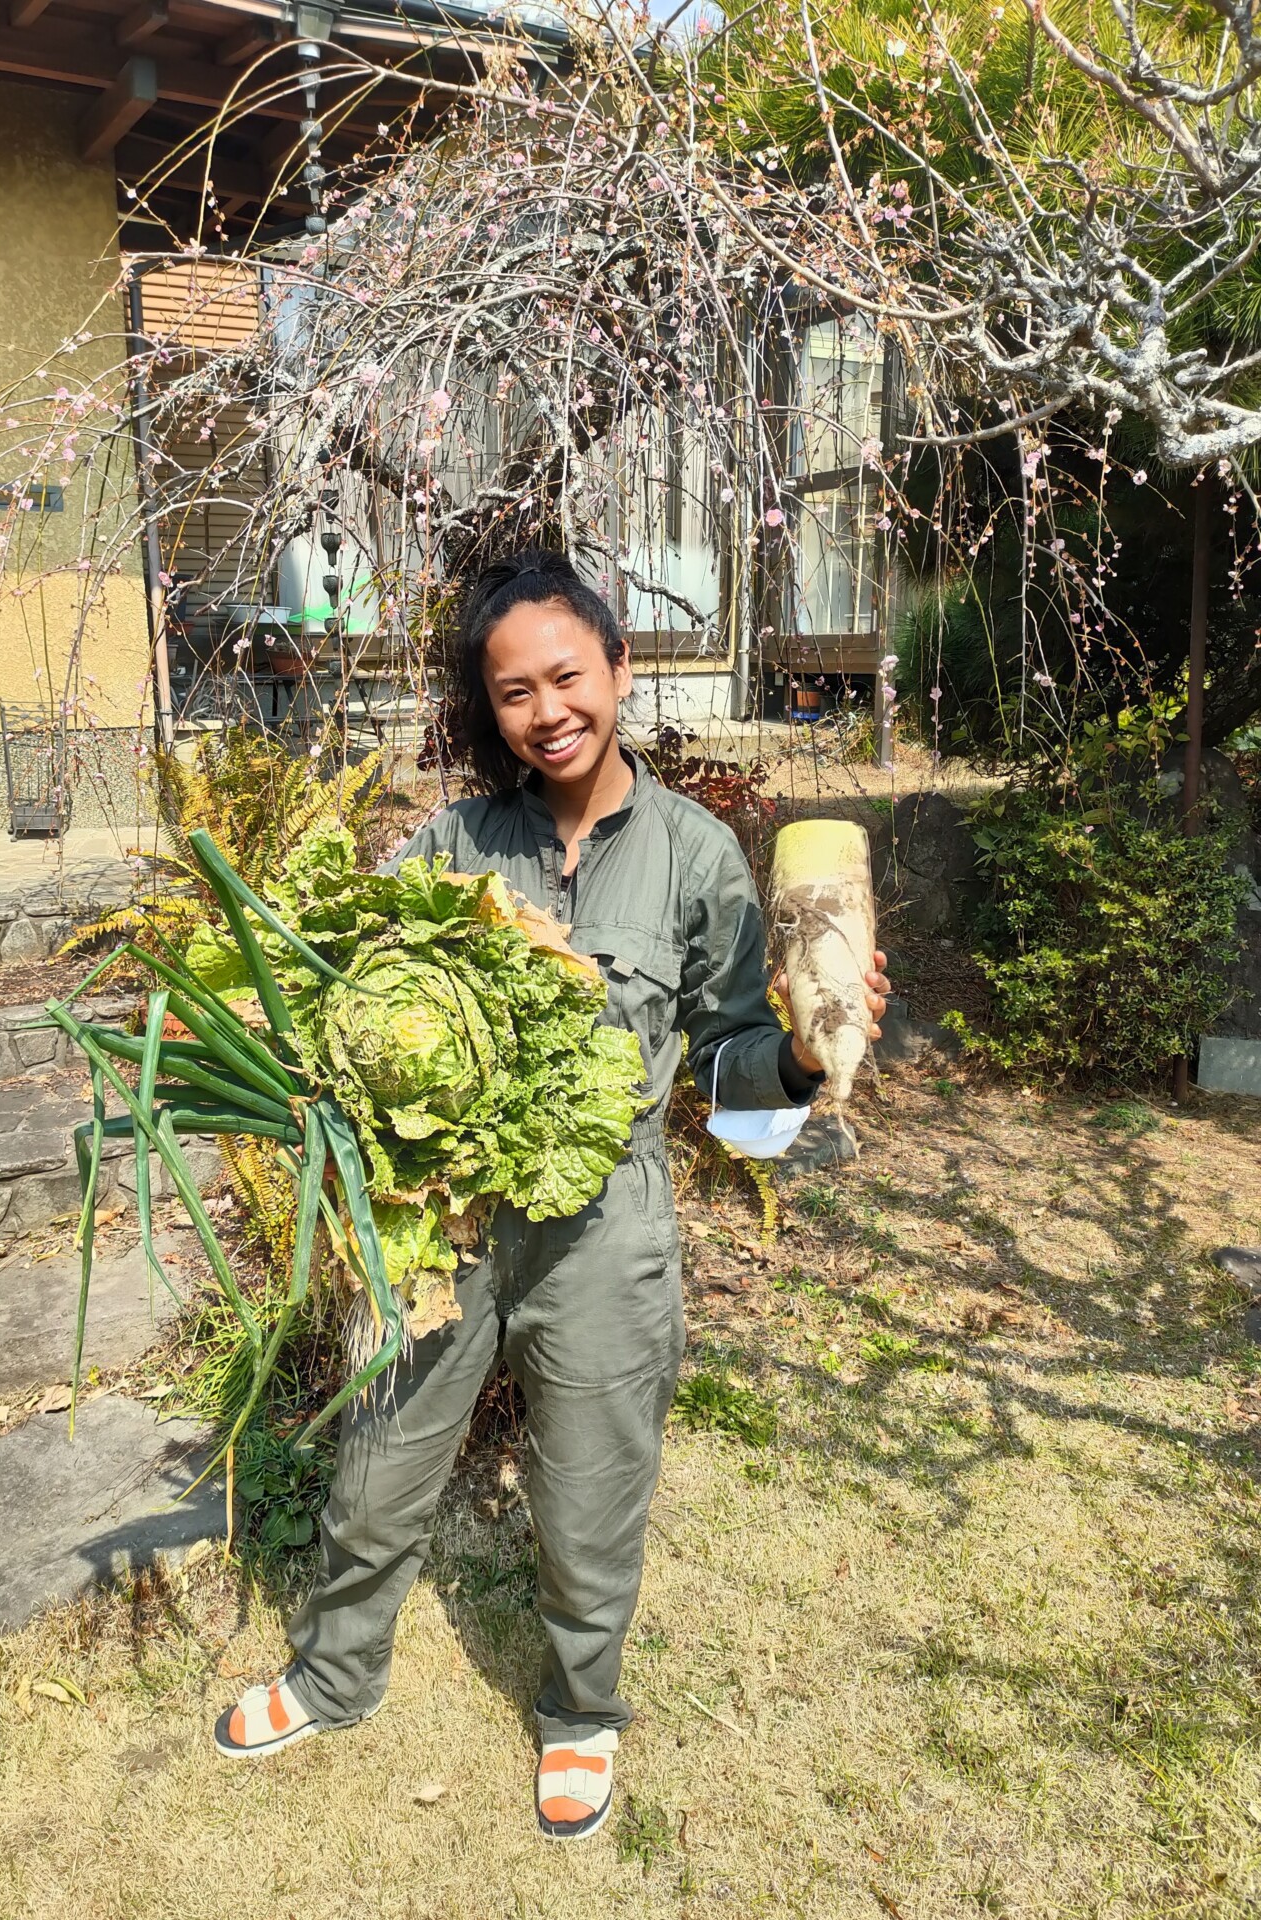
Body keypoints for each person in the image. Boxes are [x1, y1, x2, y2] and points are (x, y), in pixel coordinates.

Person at [214, 548, 889, 1839]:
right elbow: (348, 994)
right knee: (380, 1463)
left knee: (591, 1488)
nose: (547, 710)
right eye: (513, 691)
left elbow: (737, 1098)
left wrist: (804, 1051)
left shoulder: (696, 859)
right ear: (492, 707)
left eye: (568, 676)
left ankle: (581, 1712)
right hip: (442, 1222)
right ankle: (333, 1675)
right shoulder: (452, 843)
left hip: (605, 1229)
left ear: (620, 670)